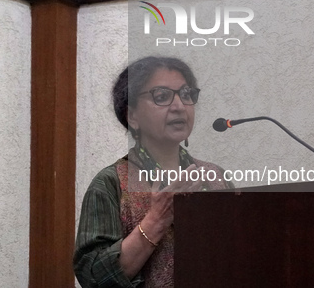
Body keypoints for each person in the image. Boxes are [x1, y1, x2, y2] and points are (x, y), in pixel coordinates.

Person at [74, 56, 232, 288]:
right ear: (132, 116)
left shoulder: (216, 177)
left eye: (186, 94)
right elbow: (94, 279)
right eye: (162, 96)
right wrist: (157, 219)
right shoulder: (111, 183)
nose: (179, 106)